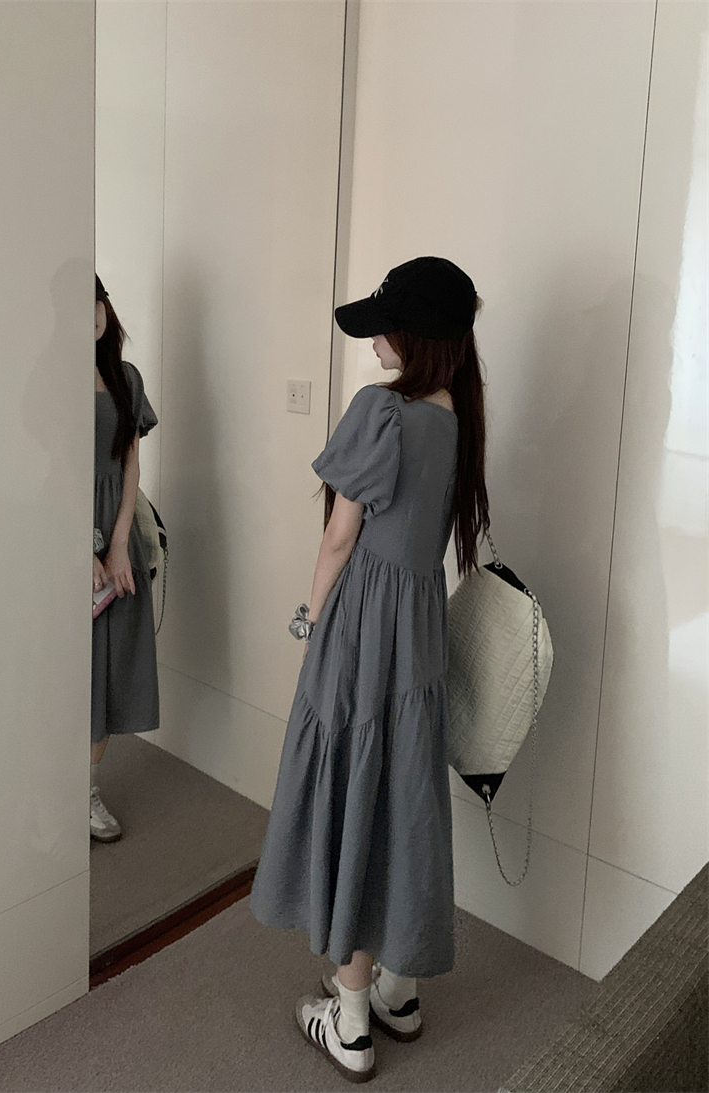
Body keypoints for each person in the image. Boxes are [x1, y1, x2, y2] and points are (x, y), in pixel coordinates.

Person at [249, 256, 489, 1082]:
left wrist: (310, 619)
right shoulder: (459, 419)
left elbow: (339, 538)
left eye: (385, 328)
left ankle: (349, 1020)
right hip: (419, 628)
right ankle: (399, 987)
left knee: (352, 793)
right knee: (402, 793)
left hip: (364, 628)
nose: (376, 342)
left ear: (416, 336)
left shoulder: (381, 412)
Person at [90, 275, 160, 841]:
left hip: (118, 529)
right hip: (57, 527)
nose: (90, 315)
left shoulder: (125, 377)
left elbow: (130, 464)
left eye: (95, 302)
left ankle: (84, 789)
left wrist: (116, 544)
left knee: (112, 666)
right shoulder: (47, 379)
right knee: (69, 668)